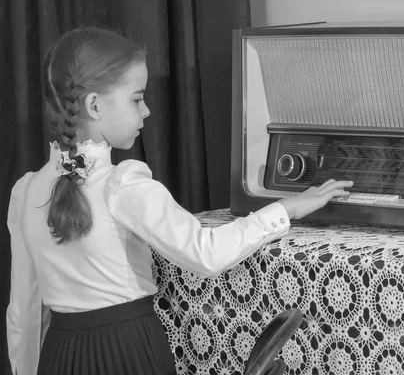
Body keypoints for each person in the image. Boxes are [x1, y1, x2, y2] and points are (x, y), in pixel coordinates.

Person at [6, 26, 353, 375]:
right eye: (136, 98)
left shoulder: (27, 191)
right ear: (94, 105)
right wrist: (286, 208)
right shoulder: (124, 184)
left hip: (58, 357)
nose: (147, 112)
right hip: (129, 352)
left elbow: (24, 312)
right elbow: (205, 252)